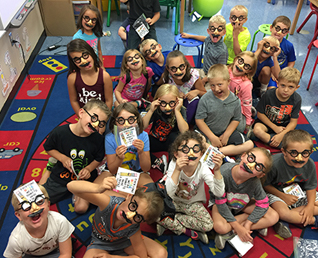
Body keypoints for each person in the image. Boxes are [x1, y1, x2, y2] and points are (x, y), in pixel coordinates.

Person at [67, 178, 167, 258]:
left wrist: (111, 257)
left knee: (161, 254)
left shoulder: (133, 227)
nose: (130, 214)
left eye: (138, 217)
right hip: (100, 242)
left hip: (124, 241)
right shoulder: (108, 204)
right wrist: (98, 188)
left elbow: (140, 256)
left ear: (142, 222)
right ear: (129, 196)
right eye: (133, 206)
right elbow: (71, 186)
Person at [41, 99, 111, 214]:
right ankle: (50, 167)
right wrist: (62, 158)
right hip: (61, 176)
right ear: (81, 113)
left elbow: (98, 159)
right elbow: (49, 148)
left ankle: (76, 192)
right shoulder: (60, 132)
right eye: (94, 118)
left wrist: (89, 169)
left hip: (84, 178)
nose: (96, 124)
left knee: (81, 208)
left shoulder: (98, 139)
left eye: (101, 123)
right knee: (40, 198)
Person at [157, 131, 224, 244]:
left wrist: (217, 171)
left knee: (208, 225)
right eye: (185, 150)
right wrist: (177, 170)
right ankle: (186, 231)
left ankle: (168, 222)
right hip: (172, 201)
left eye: (195, 149)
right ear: (176, 154)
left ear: (201, 154)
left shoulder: (203, 168)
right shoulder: (174, 164)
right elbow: (168, 193)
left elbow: (219, 193)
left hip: (192, 203)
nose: (190, 153)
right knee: (151, 212)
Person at [211, 147, 279, 250]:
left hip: (241, 203)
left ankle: (238, 230)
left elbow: (264, 203)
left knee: (274, 216)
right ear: (243, 156)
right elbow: (220, 202)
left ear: (260, 175)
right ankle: (248, 226)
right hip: (220, 203)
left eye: (258, 166)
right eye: (251, 158)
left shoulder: (255, 181)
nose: (250, 166)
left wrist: (248, 224)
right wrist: (238, 227)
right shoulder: (224, 172)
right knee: (220, 227)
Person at [263, 129, 318, 239]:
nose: (299, 158)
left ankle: (285, 219)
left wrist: (309, 207)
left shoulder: (310, 165)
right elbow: (264, 185)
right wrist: (283, 196)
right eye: (293, 153)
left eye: (305, 153)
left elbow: (311, 187)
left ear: (311, 153)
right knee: (284, 213)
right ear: (284, 151)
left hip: (297, 192)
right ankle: (313, 220)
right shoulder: (274, 164)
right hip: (276, 192)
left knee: (311, 205)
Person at [195, 64, 254, 157]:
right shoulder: (205, 99)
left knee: (250, 144)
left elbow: (236, 119)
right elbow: (199, 120)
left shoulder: (235, 100)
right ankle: (219, 151)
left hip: (224, 132)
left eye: (219, 84)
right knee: (194, 140)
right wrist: (212, 137)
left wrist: (226, 135)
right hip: (207, 133)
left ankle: (216, 151)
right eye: (212, 85)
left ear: (228, 82)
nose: (216, 89)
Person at [4, 183, 75, 258]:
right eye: (26, 206)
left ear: (48, 205)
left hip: (56, 251)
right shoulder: (16, 239)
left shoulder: (60, 221)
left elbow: (65, 254)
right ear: (18, 215)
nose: (34, 209)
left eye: (39, 202)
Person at [103, 103, 153, 187]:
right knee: (97, 190)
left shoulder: (143, 136)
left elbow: (146, 168)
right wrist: (119, 158)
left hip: (137, 172)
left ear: (137, 120)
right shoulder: (110, 138)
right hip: (115, 173)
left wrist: (141, 152)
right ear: (115, 122)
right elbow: (112, 170)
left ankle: (126, 194)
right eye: (121, 120)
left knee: (151, 191)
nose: (126, 125)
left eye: (130, 120)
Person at [142, 84, 188, 173]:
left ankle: (171, 168)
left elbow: (184, 131)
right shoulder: (156, 109)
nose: (168, 107)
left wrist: (177, 111)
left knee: (176, 137)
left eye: (171, 103)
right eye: (163, 103)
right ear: (158, 101)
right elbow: (142, 126)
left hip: (171, 143)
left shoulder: (180, 109)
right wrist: (151, 111)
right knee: (139, 144)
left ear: (177, 101)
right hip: (156, 139)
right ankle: (158, 162)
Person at [252, 67, 301, 149]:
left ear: (296, 87)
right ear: (277, 83)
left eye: (291, 87)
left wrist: (281, 134)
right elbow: (260, 114)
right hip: (266, 123)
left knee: (296, 140)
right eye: (283, 85)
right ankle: (281, 145)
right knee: (257, 130)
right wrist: (274, 127)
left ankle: (272, 140)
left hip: (284, 127)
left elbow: (293, 122)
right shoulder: (268, 94)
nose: (286, 90)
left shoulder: (297, 99)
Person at [67, 39, 113, 118]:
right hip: (84, 116)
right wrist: (81, 117)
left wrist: (103, 118)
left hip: (102, 115)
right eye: (77, 59)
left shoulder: (105, 77)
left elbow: (108, 101)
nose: (83, 61)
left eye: (85, 55)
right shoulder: (72, 78)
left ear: (91, 53)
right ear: (73, 62)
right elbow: (74, 101)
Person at [159, 50, 207, 125]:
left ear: (186, 65)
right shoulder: (166, 77)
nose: (178, 71)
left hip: (188, 103)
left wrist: (197, 91)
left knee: (195, 101)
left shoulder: (193, 76)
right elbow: (161, 89)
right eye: (174, 69)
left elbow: (205, 94)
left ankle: (187, 124)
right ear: (168, 69)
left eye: (181, 67)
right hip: (175, 103)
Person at [181, 14, 228, 85]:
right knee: (186, 76)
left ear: (224, 32)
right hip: (203, 71)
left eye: (219, 29)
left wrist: (205, 80)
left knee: (205, 93)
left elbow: (220, 71)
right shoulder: (209, 39)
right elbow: (204, 38)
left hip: (213, 77)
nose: (216, 32)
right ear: (208, 31)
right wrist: (189, 36)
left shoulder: (222, 51)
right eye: (213, 29)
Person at [228, 51, 257, 133]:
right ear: (236, 59)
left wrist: (248, 122)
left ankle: (251, 114)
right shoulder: (226, 71)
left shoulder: (246, 85)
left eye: (246, 66)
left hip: (238, 108)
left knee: (239, 129)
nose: (241, 66)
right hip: (223, 103)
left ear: (249, 71)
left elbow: (246, 103)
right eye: (241, 61)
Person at [268, 15, 296, 89]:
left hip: (282, 74)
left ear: (286, 33)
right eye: (277, 28)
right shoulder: (265, 43)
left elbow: (291, 61)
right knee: (271, 90)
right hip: (268, 72)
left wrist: (286, 73)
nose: (279, 32)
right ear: (271, 28)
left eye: (283, 31)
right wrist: (270, 72)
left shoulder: (289, 46)